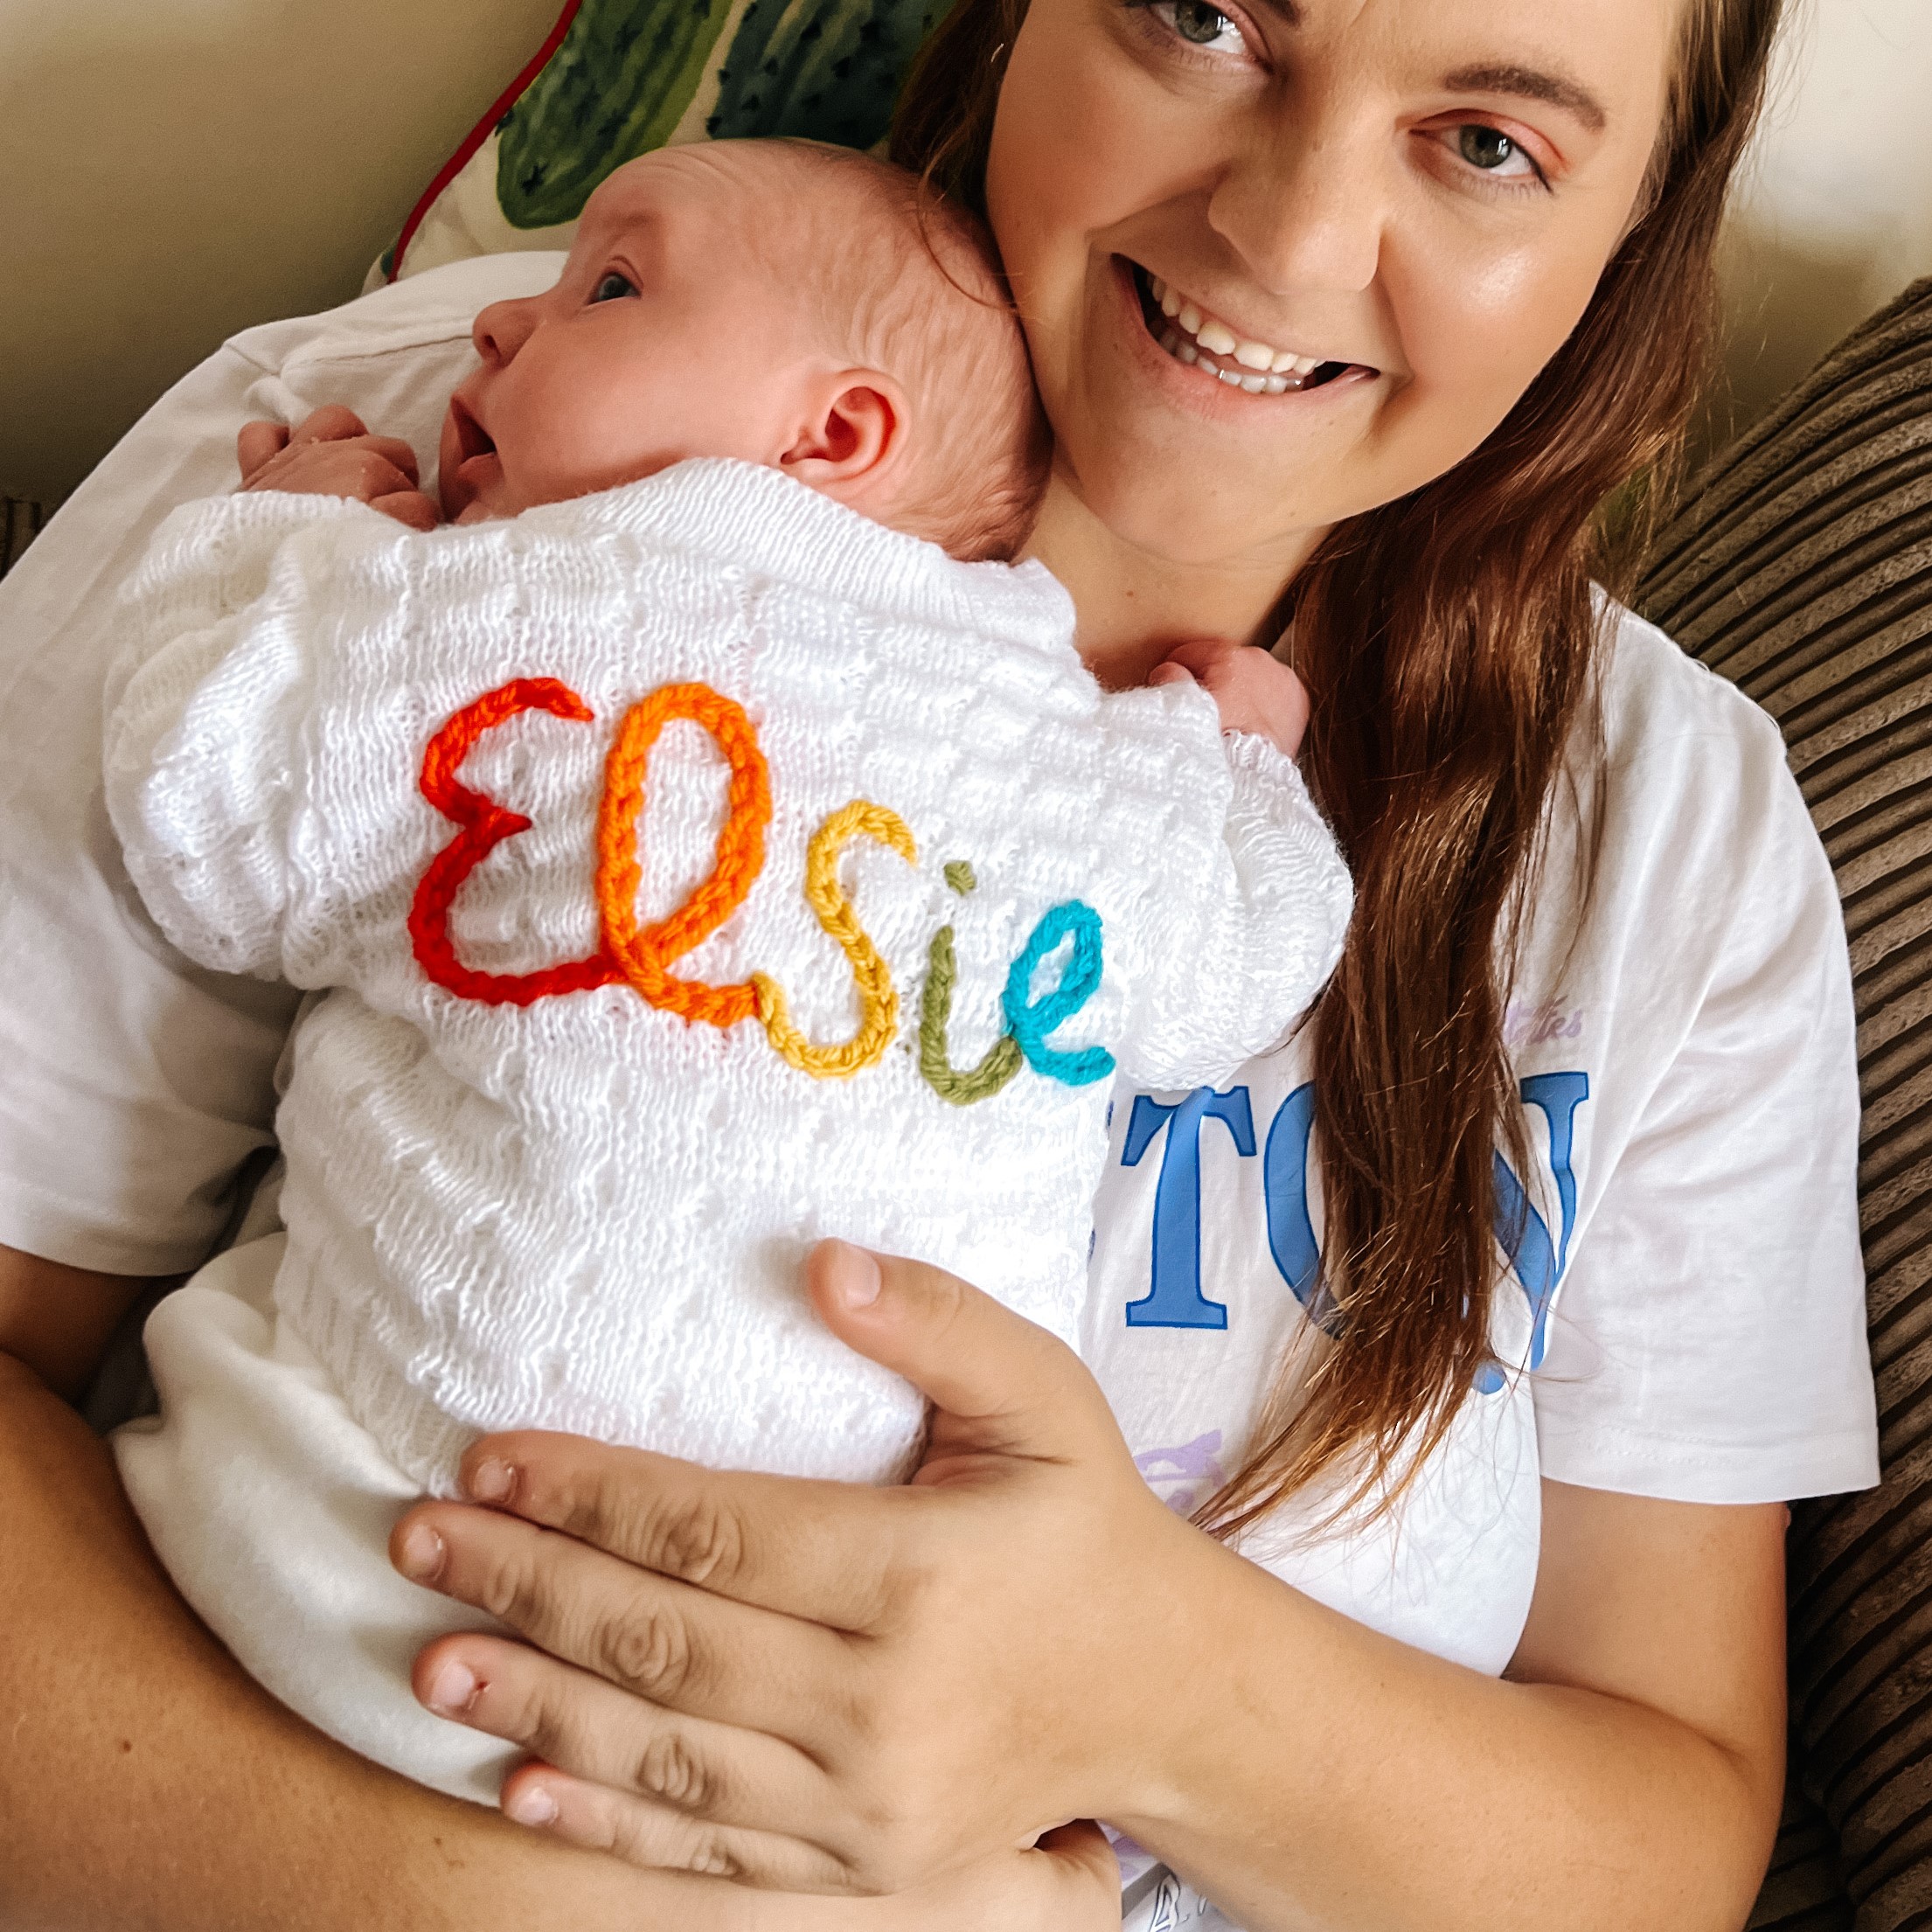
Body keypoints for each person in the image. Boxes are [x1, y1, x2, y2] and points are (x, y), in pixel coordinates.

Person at [0, 0, 1879, 1923]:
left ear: (1630, 234)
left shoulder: (1673, 834)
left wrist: (1154, 1690)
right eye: (1204, 13)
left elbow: (1666, 1827)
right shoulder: (433, 472)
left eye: (1488, 143)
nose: (1287, 237)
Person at [99, 135, 1343, 1808]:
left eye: (608, 286)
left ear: (833, 435)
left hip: (348, 1551)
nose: (496, 326)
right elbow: (1240, 963)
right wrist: (1239, 761)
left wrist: (287, 546)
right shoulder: (1074, 750)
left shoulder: (502, 608)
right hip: (792, 1684)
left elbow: (205, 802)